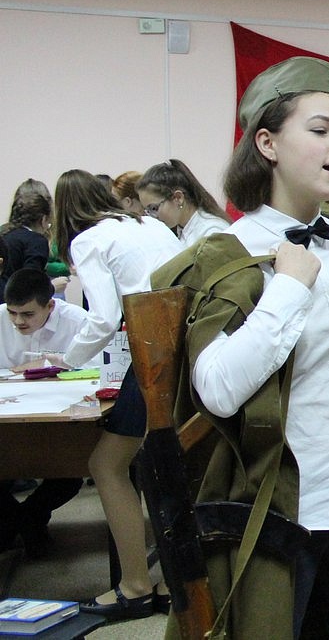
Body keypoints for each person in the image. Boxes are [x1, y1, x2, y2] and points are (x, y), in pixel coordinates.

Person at [176, 56, 329, 639]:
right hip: (284, 506)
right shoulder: (229, 252)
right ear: (268, 143)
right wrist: (288, 288)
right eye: (320, 129)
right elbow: (217, 389)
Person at [51, 167, 181, 620]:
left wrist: (67, 359)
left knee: (106, 465)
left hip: (154, 351)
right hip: (186, 347)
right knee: (164, 468)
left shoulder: (89, 241)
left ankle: (134, 586)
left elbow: (105, 317)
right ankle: (169, 580)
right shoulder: (147, 224)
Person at [0, 269, 89, 556]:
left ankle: (25, 519)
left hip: (60, 420)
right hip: (10, 419)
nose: (18, 321)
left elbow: (98, 370)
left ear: (50, 305)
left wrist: (51, 367)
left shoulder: (79, 323)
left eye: (27, 314)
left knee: (70, 474)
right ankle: (25, 522)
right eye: (12, 313)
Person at [136, 158, 229, 245]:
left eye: (154, 208)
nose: (153, 217)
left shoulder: (212, 231)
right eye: (147, 211)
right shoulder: (181, 230)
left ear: (178, 198)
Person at [0, 182, 53, 296]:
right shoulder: (36, 241)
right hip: (15, 300)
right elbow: (31, 282)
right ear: (43, 219)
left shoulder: (4, 233)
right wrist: (52, 287)